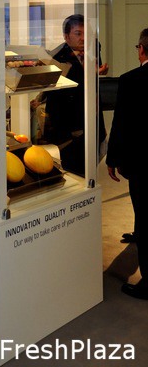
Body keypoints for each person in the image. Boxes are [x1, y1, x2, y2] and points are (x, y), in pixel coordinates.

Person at [106, 28, 148, 299]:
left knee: (144, 213)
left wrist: (113, 159)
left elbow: (121, 124)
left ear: (141, 49)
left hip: (142, 163)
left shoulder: (131, 80)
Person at [44, 14, 107, 176]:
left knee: (91, 167)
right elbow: (55, 95)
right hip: (69, 126)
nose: (83, 38)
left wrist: (96, 72)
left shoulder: (93, 48)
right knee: (73, 171)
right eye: (78, 33)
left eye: (86, 34)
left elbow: (95, 70)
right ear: (66, 36)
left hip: (92, 119)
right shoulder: (57, 58)